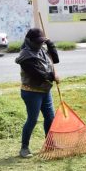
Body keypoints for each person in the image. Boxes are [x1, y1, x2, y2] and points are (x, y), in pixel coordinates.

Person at [15, 28, 60, 158]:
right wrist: (53, 76)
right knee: (33, 119)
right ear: (29, 41)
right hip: (31, 92)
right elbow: (37, 74)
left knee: (50, 118)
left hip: (45, 90)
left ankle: (50, 143)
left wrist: (50, 43)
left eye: (41, 42)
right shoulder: (25, 56)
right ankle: (24, 148)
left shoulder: (41, 50)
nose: (39, 44)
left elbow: (55, 60)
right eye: (37, 42)